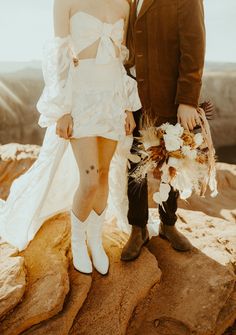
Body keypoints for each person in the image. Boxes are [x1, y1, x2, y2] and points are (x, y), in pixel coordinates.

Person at [0, 0, 141, 275]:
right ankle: (78, 242)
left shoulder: (123, 6)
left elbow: (120, 58)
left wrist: (126, 107)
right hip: (82, 99)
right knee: (88, 179)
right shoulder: (65, 2)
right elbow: (59, 58)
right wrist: (63, 110)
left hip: (112, 98)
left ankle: (94, 240)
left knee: (101, 175)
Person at [121, 0, 207, 261]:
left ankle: (168, 224)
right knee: (134, 163)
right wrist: (123, 101)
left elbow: (194, 45)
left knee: (172, 161)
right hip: (133, 97)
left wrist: (188, 100)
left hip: (170, 97)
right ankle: (138, 227)